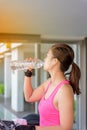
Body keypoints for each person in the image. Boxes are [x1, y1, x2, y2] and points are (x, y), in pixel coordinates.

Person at [23, 43, 81, 130]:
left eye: (47, 56)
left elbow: (66, 127)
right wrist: (28, 73)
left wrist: (33, 128)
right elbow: (29, 97)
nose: (44, 59)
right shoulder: (49, 83)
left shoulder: (64, 90)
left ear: (54, 61)